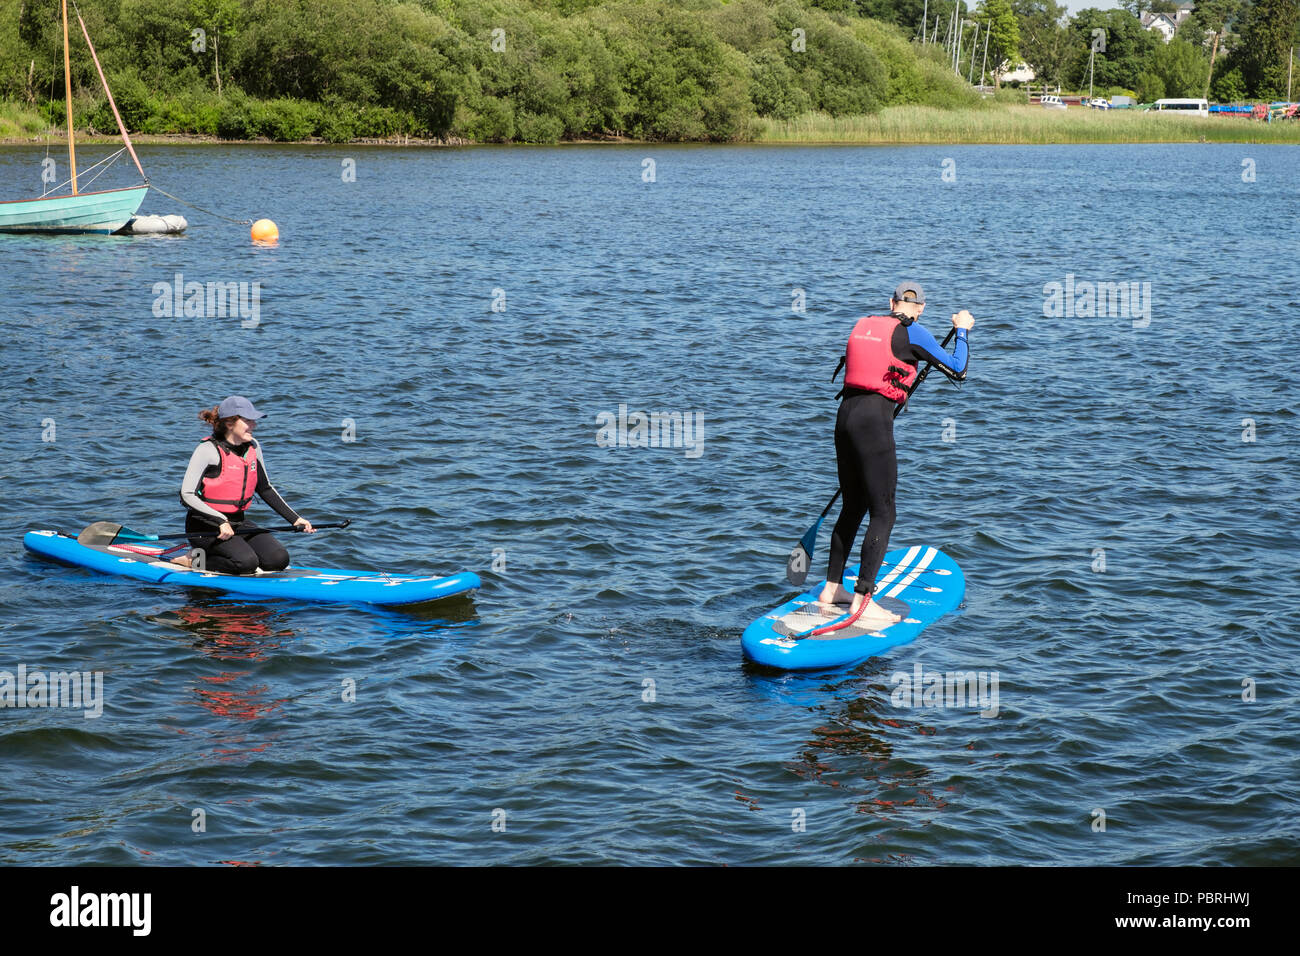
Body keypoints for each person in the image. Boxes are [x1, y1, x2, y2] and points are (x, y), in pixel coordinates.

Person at [818, 281, 972, 623]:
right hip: (873, 423)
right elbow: (958, 370)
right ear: (919, 309)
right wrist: (961, 330)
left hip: (844, 418)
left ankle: (832, 588)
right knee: (884, 512)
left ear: (890, 303)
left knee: (852, 505)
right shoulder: (913, 333)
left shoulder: (864, 324)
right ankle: (862, 599)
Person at [172, 396, 314, 573]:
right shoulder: (207, 450)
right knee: (246, 564)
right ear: (229, 423)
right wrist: (220, 520)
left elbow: (265, 488)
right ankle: (193, 559)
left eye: (253, 420)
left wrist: (295, 519)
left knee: (278, 559)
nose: (254, 425)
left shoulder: (253, 447)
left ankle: (227, 555)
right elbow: (186, 494)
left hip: (238, 522)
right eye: (247, 420)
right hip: (204, 526)